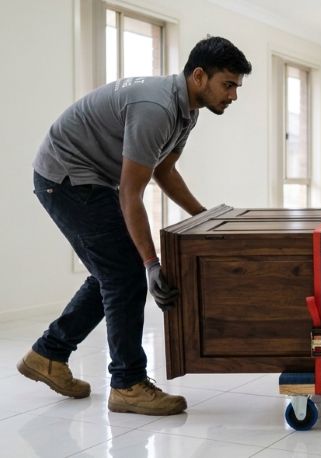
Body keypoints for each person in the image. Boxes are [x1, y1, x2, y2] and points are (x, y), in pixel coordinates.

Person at [17, 36, 252, 415]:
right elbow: (131, 193)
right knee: (124, 273)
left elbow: (164, 171)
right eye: (228, 85)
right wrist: (151, 263)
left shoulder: (188, 111)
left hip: (90, 178)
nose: (233, 96)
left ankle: (48, 354)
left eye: (236, 87)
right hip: (64, 177)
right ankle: (127, 383)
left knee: (111, 270)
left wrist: (204, 215)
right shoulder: (156, 108)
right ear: (198, 76)